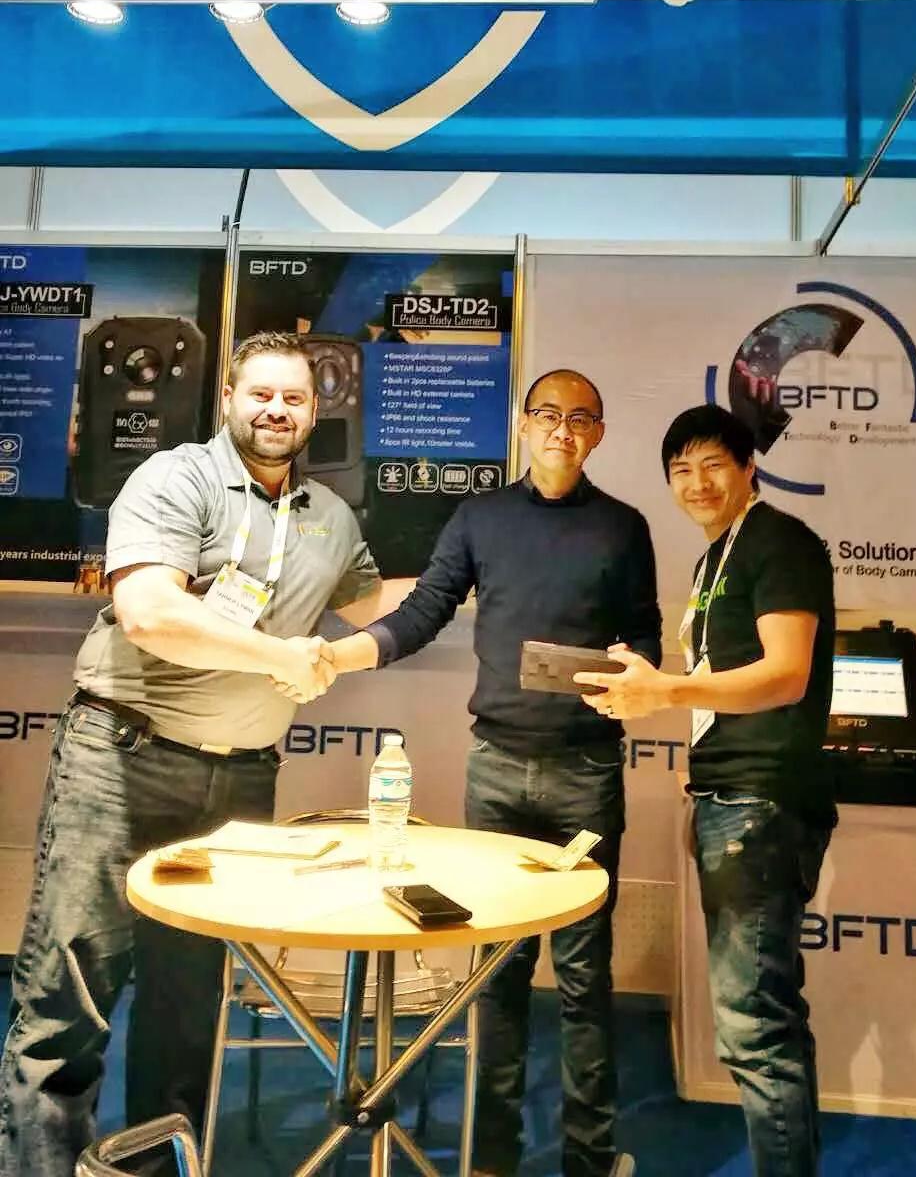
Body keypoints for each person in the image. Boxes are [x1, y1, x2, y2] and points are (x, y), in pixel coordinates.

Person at [0, 330, 405, 1177]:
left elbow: (382, 603)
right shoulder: (175, 478)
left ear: (316, 410)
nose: (276, 410)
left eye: (293, 398)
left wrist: (484, 564)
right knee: (69, 1006)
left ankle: (156, 1170)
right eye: (260, 393)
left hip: (239, 785)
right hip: (122, 764)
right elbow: (151, 614)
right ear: (228, 399)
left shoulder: (331, 517)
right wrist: (285, 656)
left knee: (188, 1012)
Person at [325, 369, 662, 1177]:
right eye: (548, 414)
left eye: (581, 418)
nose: (562, 430)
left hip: (586, 771)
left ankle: (588, 1159)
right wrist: (342, 655)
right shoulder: (481, 516)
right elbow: (425, 610)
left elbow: (645, 634)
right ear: (522, 423)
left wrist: (635, 675)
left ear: (599, 433)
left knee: (583, 976)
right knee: (497, 974)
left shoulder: (624, 527)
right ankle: (492, 1157)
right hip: (497, 771)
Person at [577, 403, 836, 1177]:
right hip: (728, 795)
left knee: (754, 1023)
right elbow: (717, 685)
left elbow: (786, 676)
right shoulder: (714, 558)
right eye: (680, 470)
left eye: (713, 464)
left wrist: (666, 691)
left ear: (749, 467)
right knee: (766, 1014)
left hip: (763, 800)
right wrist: (653, 699)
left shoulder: (779, 542)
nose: (696, 483)